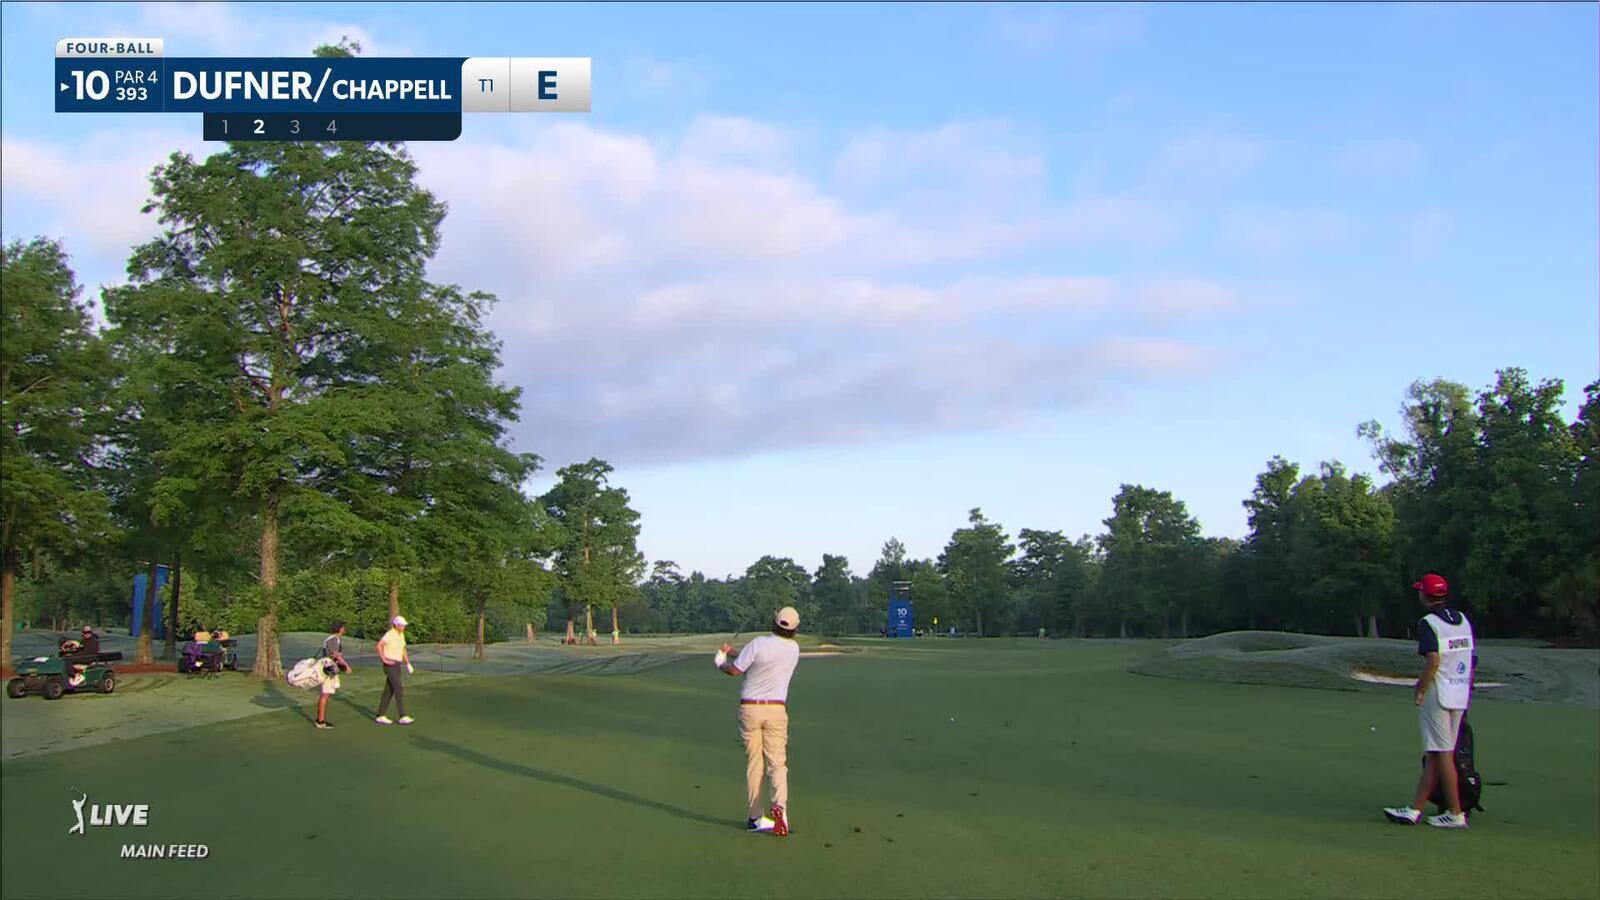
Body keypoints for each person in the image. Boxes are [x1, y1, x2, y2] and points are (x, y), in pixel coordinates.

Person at [1384, 573, 1475, 829]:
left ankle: (1456, 813)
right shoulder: (1463, 620)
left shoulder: (1428, 623)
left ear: (1425, 595)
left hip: (1439, 692)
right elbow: (1469, 658)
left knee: (1442, 754)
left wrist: (1420, 688)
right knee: (1436, 753)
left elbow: (1433, 660)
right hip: (1459, 692)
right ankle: (1414, 809)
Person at [716, 607, 801, 836]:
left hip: (750, 709)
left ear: (773, 622)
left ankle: (755, 817)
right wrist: (733, 652)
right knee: (777, 763)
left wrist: (720, 661)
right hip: (776, 709)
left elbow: (736, 670)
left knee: (755, 762)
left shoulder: (757, 643)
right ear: (794, 629)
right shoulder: (794, 649)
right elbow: (759, 660)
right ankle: (780, 810)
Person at [374, 615, 414, 725]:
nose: (403, 627)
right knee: (398, 688)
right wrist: (384, 660)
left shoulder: (401, 635)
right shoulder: (390, 634)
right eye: (402, 625)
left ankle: (380, 715)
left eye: (404, 625)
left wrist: (408, 663)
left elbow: (403, 649)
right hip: (390, 664)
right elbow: (379, 646)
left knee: (389, 690)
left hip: (397, 664)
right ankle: (402, 715)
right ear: (396, 625)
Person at [315, 621, 352, 729]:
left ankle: (321, 720)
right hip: (328, 669)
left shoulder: (334, 639)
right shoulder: (333, 639)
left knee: (327, 693)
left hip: (329, 668)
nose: (344, 629)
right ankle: (320, 721)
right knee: (325, 694)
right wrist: (346, 665)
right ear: (339, 629)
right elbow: (334, 653)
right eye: (343, 627)